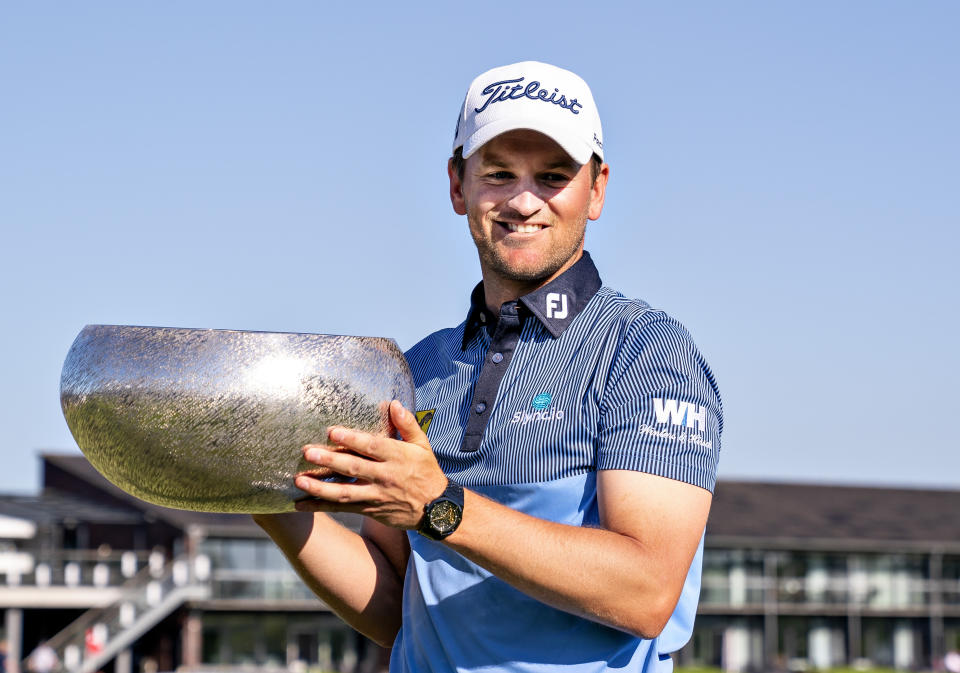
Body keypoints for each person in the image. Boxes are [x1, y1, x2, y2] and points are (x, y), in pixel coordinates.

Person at [255, 61, 722, 673]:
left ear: (597, 189)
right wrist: (259, 497)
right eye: (499, 174)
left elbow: (645, 593)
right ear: (458, 185)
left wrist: (440, 504)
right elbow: (398, 609)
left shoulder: (645, 350)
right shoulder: (418, 365)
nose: (524, 201)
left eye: (553, 176)